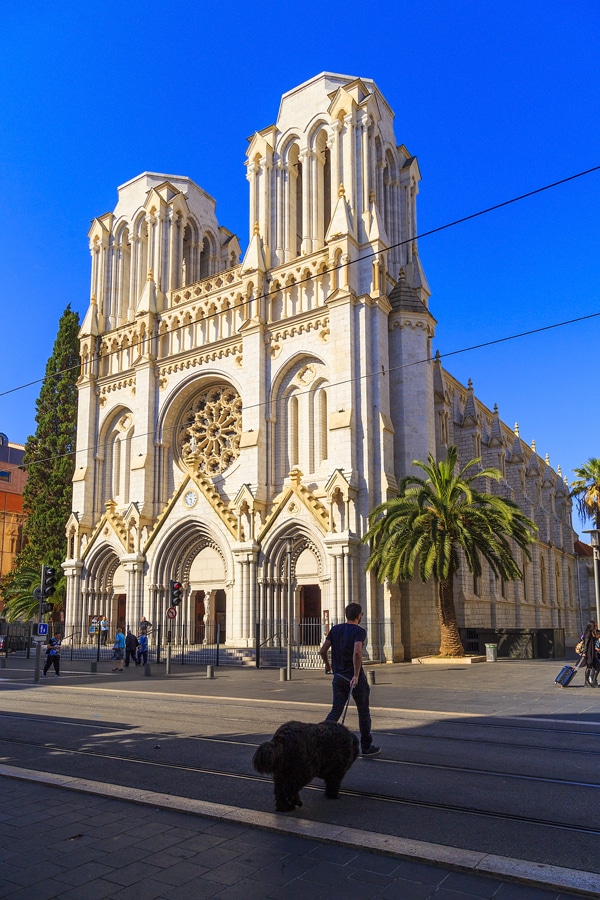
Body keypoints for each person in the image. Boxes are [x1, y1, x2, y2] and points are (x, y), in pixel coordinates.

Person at [319, 602, 380, 757]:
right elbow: (357, 652)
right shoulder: (359, 631)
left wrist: (327, 665)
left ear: (346, 615)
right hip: (354, 679)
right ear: (359, 616)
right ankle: (366, 746)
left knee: (336, 711)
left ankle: (320, 739)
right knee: (363, 712)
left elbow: (323, 650)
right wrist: (356, 675)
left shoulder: (335, 629)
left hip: (338, 677)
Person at [582, 620, 600, 688]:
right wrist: (584, 652)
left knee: (597, 666)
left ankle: (594, 680)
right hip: (589, 652)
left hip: (593, 652)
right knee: (589, 666)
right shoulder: (588, 633)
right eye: (594, 625)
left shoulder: (592, 632)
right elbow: (586, 644)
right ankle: (586, 681)